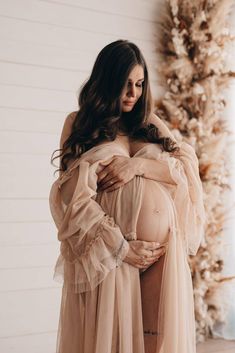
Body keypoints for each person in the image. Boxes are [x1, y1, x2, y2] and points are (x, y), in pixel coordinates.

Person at [49, 39, 206, 353]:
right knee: (114, 344)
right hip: (111, 254)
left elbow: (183, 169)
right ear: (107, 82)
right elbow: (70, 198)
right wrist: (120, 247)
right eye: (125, 84)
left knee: (155, 343)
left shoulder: (147, 122)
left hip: (161, 251)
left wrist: (137, 166)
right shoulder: (79, 124)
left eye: (139, 84)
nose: (133, 94)